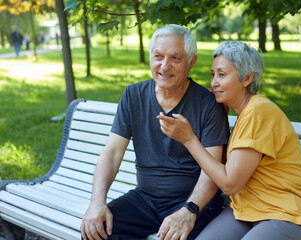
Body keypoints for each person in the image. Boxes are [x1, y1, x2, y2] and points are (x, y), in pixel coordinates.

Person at [157, 41, 301, 240]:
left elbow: (229, 184)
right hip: (245, 210)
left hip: (283, 213)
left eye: (222, 74)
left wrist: (189, 139)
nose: (214, 82)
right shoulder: (244, 113)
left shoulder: (259, 112)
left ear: (247, 78)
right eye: (213, 74)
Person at [81, 24, 229, 240]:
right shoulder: (133, 95)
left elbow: (212, 171)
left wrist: (190, 210)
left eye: (175, 58)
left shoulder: (208, 104)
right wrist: (96, 202)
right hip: (145, 199)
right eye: (158, 56)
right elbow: (112, 152)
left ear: (191, 62)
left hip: (193, 201)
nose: (164, 66)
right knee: (96, 231)